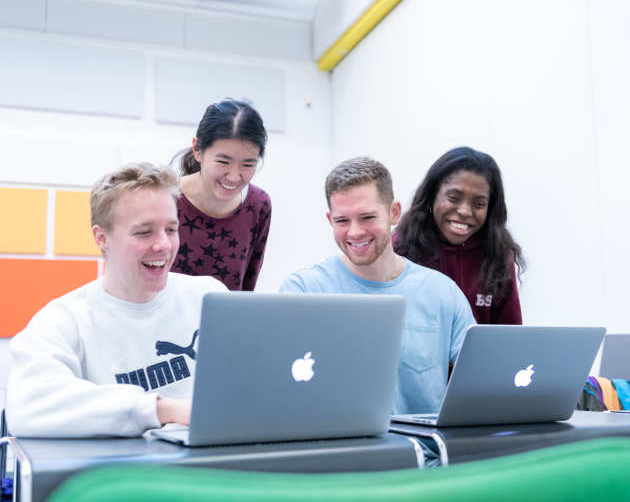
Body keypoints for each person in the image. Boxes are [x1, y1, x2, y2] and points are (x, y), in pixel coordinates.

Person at [5, 162, 227, 438]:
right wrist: (160, 410)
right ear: (102, 238)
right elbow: (27, 407)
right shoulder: (65, 319)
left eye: (170, 229)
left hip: (213, 469)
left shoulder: (207, 296)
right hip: (121, 476)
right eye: (144, 232)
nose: (164, 245)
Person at [280, 157, 475, 415]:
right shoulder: (303, 290)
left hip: (423, 452)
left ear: (394, 212)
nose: (355, 232)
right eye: (342, 221)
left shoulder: (442, 292)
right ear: (329, 219)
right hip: (335, 450)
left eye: (367, 217)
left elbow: (482, 380)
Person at [394, 146, 525, 325]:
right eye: (454, 198)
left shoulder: (498, 255)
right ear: (432, 195)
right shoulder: (400, 248)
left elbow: (510, 335)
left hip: (480, 354)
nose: (464, 211)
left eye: (479, 204)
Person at [171, 99, 271, 291]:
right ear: (197, 150)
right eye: (223, 162)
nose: (234, 177)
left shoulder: (259, 205)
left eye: (248, 164)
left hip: (224, 320)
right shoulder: (166, 199)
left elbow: (246, 288)